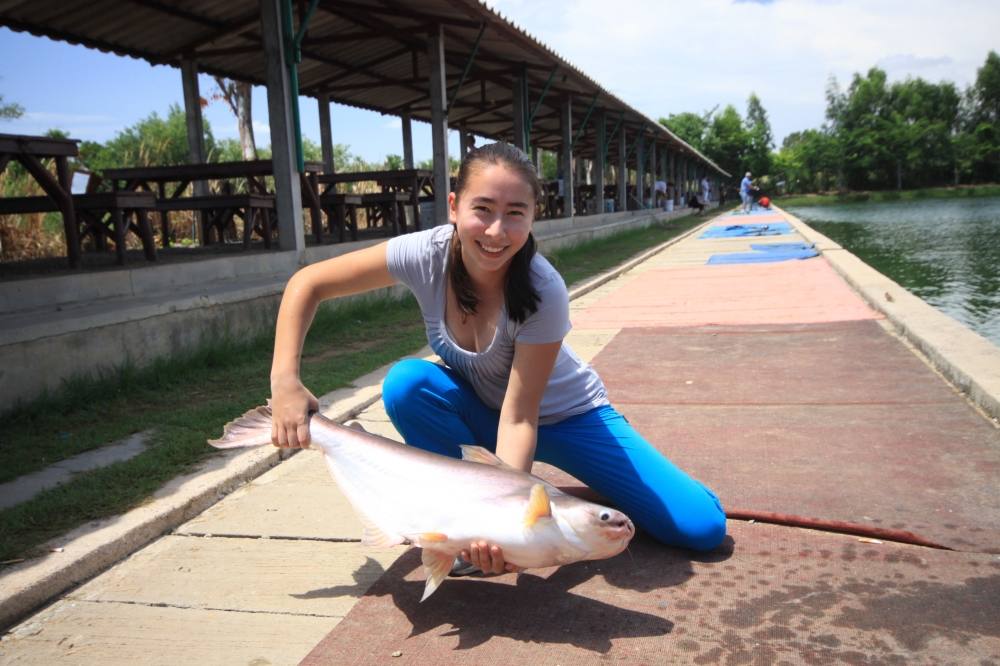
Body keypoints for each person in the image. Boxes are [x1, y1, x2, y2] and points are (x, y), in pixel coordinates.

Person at [269, 143, 726, 575]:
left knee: (701, 528)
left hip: (571, 418)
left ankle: (585, 493)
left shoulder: (542, 289)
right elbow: (307, 283)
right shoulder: (423, 255)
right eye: (482, 209)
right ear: (453, 206)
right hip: (484, 416)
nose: (495, 231)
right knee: (408, 383)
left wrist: (509, 514)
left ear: (533, 217)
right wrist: (284, 380)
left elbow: (522, 416)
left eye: (515, 214)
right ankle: (453, 526)